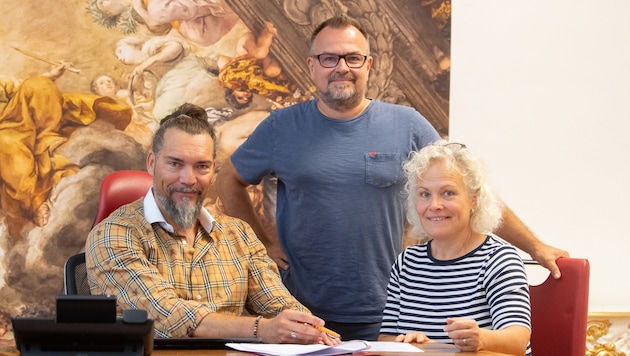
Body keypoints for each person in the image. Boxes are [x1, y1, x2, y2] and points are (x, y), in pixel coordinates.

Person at [215, 14, 568, 341]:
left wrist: (534, 247)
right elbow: (229, 178)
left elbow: (464, 188)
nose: (341, 68)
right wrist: (262, 245)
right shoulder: (281, 126)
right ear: (311, 66)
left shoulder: (408, 124)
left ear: (368, 64)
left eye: (353, 58)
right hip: (299, 311)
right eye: (329, 58)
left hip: (389, 312)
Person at [85, 103, 339, 344]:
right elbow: (168, 316)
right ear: (152, 163)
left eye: (202, 166)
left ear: (214, 169)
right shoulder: (113, 235)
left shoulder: (238, 235)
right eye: (175, 164)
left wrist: (306, 328)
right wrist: (262, 329)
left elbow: (277, 303)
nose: (189, 179)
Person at [378, 141, 531, 355]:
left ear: (473, 199)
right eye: (424, 194)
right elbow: (385, 338)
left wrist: (481, 338)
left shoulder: (498, 259)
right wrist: (409, 340)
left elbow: (517, 342)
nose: (434, 205)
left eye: (448, 193)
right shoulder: (406, 263)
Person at [0, 63, 131, 234]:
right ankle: (36, 201)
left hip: (29, 118)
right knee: (9, 146)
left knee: (40, 86)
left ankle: (48, 136)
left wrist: (51, 76)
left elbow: (17, 87)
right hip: (11, 124)